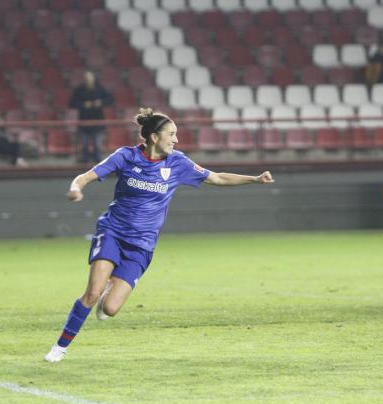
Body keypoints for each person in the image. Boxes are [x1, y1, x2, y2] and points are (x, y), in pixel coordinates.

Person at [44, 108, 275, 362]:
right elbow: (86, 176)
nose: (176, 140)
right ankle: (60, 347)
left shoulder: (178, 163)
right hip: (113, 232)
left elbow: (218, 178)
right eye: (172, 134)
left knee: (109, 308)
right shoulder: (126, 156)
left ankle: (109, 290)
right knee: (91, 292)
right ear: (154, 137)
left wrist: (254, 179)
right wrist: (75, 188)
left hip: (142, 245)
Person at [69, 70, 114, 163]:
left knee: (97, 144)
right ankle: (84, 162)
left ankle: (98, 162)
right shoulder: (79, 89)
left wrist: (100, 102)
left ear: (93, 79)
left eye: (89, 78)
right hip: (84, 120)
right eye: (86, 78)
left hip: (97, 120)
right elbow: (72, 103)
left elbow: (109, 99)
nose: (88, 80)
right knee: (84, 144)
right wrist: (84, 104)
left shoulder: (100, 88)